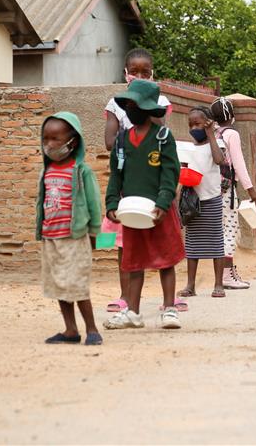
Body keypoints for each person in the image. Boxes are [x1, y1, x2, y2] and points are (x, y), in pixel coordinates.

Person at [103, 80, 185, 330]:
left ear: (147, 107)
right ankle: (133, 313)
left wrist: (163, 200)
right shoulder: (122, 140)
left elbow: (171, 172)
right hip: (132, 211)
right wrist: (112, 202)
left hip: (159, 210)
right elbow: (116, 174)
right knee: (133, 261)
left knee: (166, 260)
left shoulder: (162, 137)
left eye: (133, 104)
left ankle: (169, 309)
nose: (129, 108)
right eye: (126, 104)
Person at [37, 112, 103, 345]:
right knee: (59, 285)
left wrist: (95, 233)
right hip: (51, 238)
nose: (49, 144)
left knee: (76, 284)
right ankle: (70, 330)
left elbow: (94, 204)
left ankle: (92, 329)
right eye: (45, 139)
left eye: (55, 139)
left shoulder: (81, 170)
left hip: (74, 238)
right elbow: (42, 204)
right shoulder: (47, 171)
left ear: (72, 142)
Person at [210, 97, 256, 289]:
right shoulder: (231, 134)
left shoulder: (212, 133)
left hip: (211, 190)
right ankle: (226, 276)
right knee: (230, 232)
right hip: (227, 192)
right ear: (232, 116)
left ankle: (224, 275)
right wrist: (252, 191)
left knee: (219, 233)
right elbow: (239, 164)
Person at [178, 106, 227, 299]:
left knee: (216, 243)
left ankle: (218, 284)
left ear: (208, 123)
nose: (193, 127)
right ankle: (190, 285)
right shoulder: (188, 147)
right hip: (192, 200)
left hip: (212, 199)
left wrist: (210, 134)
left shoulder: (217, 143)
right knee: (192, 245)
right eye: (191, 124)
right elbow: (183, 171)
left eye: (197, 123)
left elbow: (218, 159)